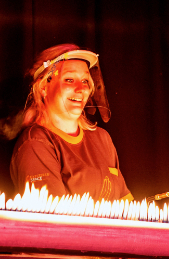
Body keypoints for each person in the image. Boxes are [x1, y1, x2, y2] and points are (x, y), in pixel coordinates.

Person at [10, 44, 133, 202]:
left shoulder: (103, 138)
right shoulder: (36, 143)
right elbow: (54, 220)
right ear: (43, 87)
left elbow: (127, 207)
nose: (80, 89)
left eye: (84, 81)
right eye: (69, 79)